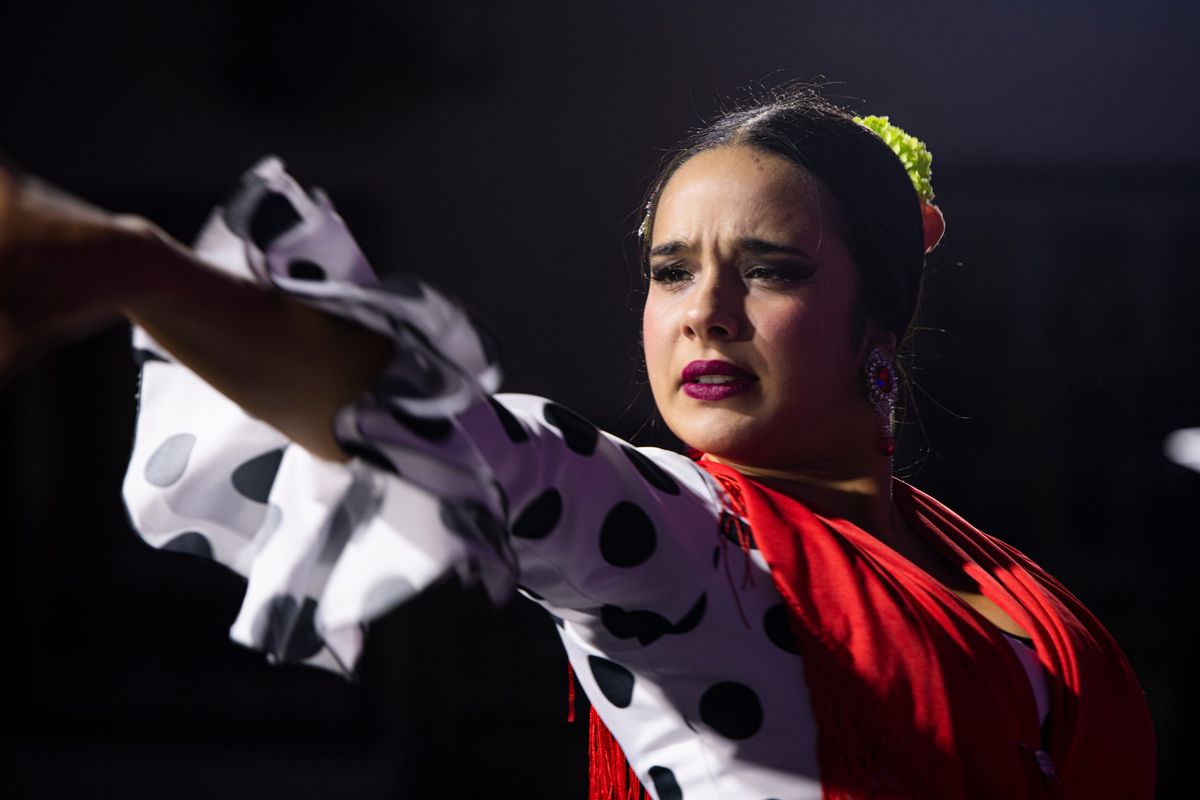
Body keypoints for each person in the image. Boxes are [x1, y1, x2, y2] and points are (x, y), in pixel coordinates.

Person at [0, 88, 1156, 799]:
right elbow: (466, 440)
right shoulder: (684, 535)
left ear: (882, 311)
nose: (703, 310)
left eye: (771, 268)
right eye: (669, 271)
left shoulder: (1000, 580)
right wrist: (142, 270)